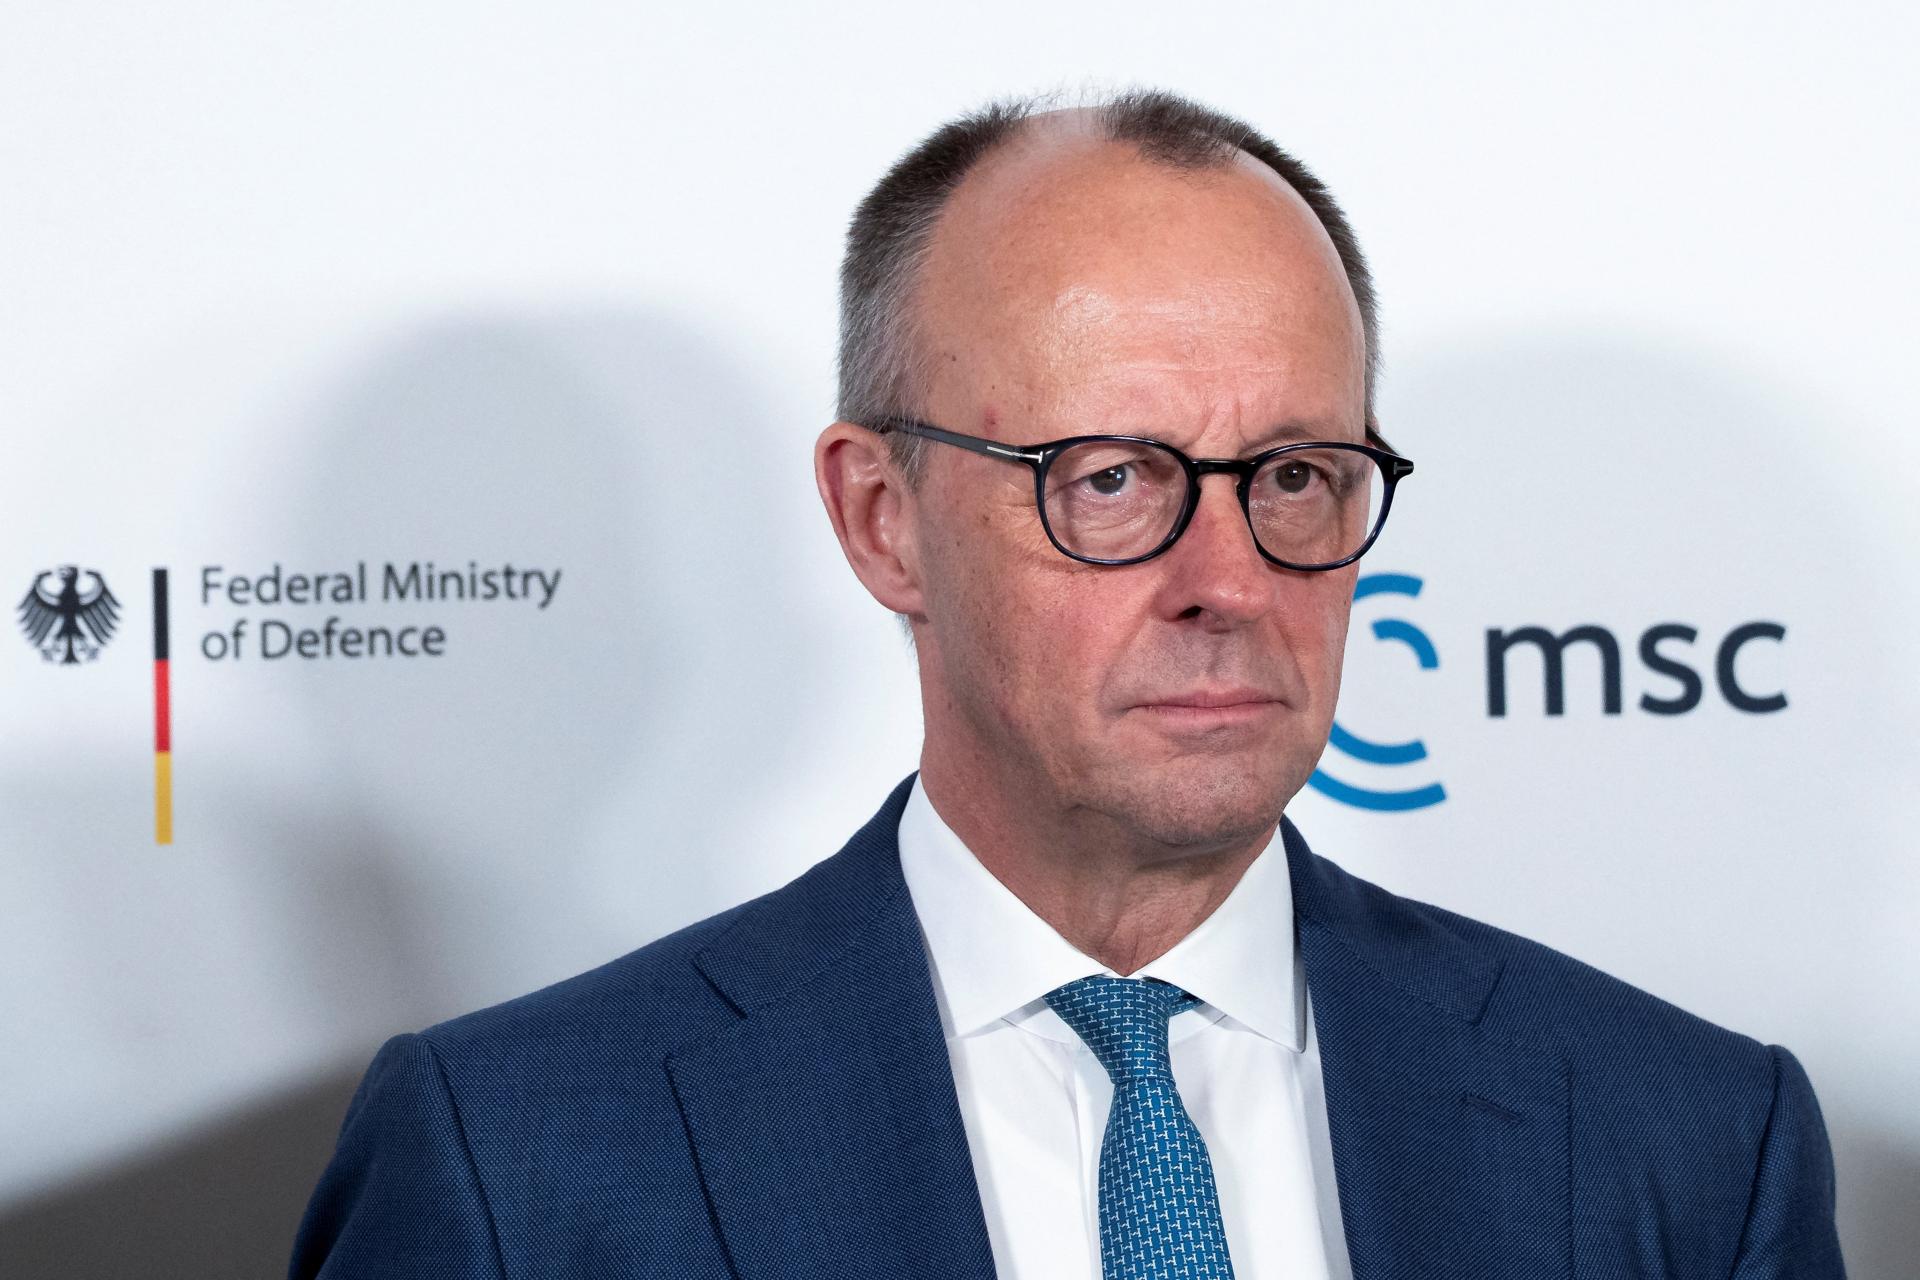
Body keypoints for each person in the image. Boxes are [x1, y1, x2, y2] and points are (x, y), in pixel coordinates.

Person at [290, 89, 1845, 1279]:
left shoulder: (1687, 1143)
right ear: (881, 518)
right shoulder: (519, 1162)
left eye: (1296, 475)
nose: (1230, 581)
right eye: (1109, 478)